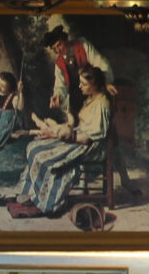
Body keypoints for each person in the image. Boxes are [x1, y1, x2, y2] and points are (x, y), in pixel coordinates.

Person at [7, 63, 114, 217]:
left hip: (89, 145)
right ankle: (31, 194)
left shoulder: (102, 104)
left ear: (95, 84)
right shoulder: (92, 98)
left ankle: (45, 202)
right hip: (78, 137)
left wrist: (63, 136)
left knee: (44, 156)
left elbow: (89, 137)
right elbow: (79, 127)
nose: (80, 86)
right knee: (34, 147)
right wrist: (55, 134)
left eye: (84, 83)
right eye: (80, 82)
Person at [42, 26, 111, 120]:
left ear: (65, 40)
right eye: (54, 49)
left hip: (92, 93)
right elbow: (60, 85)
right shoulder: (59, 64)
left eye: (59, 45)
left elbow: (100, 62)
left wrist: (106, 81)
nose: (58, 50)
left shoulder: (82, 45)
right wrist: (58, 95)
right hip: (75, 100)